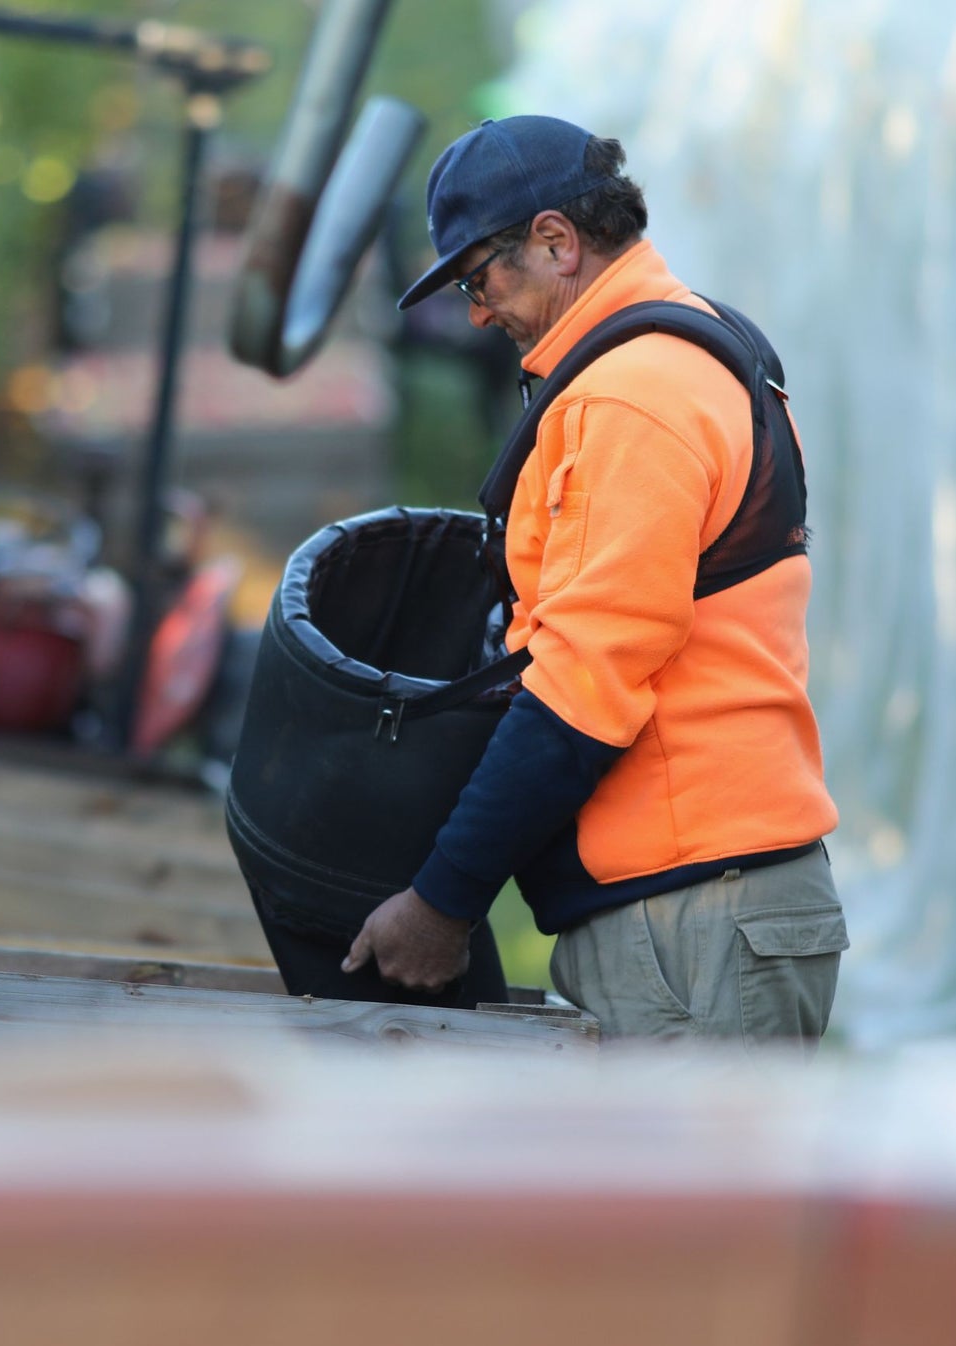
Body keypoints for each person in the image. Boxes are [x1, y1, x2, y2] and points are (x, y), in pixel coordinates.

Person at [342, 115, 848, 1045]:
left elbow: (586, 682)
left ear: (555, 241)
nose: (477, 311)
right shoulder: (700, 345)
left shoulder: (631, 396)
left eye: (476, 276)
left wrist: (443, 900)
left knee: (694, 1197)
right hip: (710, 907)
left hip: (695, 918)